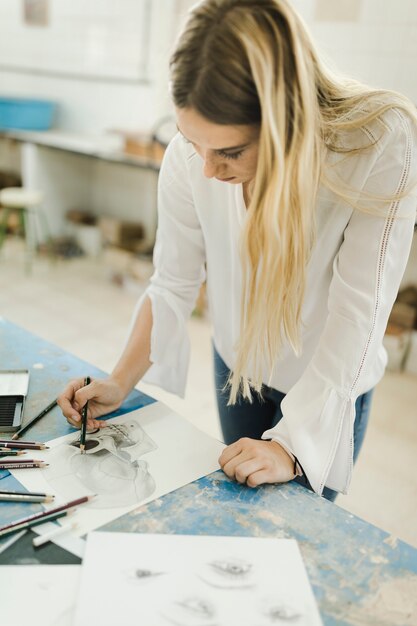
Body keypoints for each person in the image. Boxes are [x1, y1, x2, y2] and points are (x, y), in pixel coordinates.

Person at [58, 0, 417, 501]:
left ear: (285, 121)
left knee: (294, 529)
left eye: (230, 152)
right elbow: (173, 282)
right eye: (192, 142)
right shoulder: (194, 155)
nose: (207, 170)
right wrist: (120, 382)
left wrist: (292, 445)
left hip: (328, 379)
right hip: (239, 365)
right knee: (243, 509)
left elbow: (361, 312)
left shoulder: (378, 141)